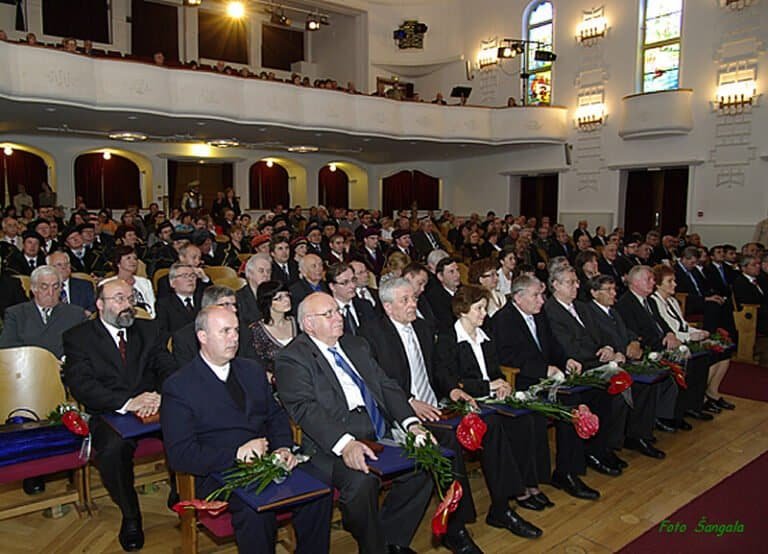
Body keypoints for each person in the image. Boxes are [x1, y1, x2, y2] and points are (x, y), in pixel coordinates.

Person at [362, 279, 543, 549]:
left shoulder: (422, 327)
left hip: (436, 406)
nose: (414, 304)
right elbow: (376, 382)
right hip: (401, 416)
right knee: (448, 444)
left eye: (414, 298)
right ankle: (454, 528)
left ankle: (502, 508)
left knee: (490, 423)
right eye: (406, 300)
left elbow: (438, 370)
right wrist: (410, 402)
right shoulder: (371, 334)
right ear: (388, 307)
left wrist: (454, 390)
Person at [162, 306, 332, 552]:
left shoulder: (250, 370)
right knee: (256, 510)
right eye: (225, 331)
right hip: (218, 472)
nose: (234, 337)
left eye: (235, 331)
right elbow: (181, 454)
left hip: (267, 459)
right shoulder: (179, 386)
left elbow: (275, 416)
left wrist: (284, 446)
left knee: (319, 488)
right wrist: (236, 454)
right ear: (202, 337)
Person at [274, 292, 434, 554]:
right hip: (330, 441)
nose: (339, 317)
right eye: (329, 314)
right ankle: (373, 547)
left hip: (377, 428)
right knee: (362, 483)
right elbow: (305, 409)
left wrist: (411, 423)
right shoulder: (292, 357)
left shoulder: (356, 345)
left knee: (425, 463)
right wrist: (346, 444)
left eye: (337, 311)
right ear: (309, 324)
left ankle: (391, 539)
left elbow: (385, 385)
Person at [63, 279, 176, 551]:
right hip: (110, 410)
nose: (127, 305)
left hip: (154, 405)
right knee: (112, 451)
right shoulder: (78, 337)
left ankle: (182, 491)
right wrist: (128, 402)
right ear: (100, 305)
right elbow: (82, 385)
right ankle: (130, 514)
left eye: (129, 298)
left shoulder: (149, 329)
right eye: (118, 299)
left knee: (189, 427)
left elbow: (168, 367)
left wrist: (160, 396)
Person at [489, 275, 600, 500]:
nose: (542, 300)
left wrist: (566, 359)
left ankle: (566, 471)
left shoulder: (539, 316)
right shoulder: (504, 320)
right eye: (536, 295)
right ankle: (530, 483)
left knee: (575, 404)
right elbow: (508, 358)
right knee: (535, 418)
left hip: (545, 379)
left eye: (542, 295)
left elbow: (553, 346)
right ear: (518, 297)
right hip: (521, 383)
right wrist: (544, 369)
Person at [651, 264, 734, 413]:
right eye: (670, 281)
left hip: (685, 337)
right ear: (657, 284)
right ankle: (698, 398)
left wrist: (700, 332)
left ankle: (712, 393)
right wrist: (691, 337)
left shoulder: (672, 301)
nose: (675, 284)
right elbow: (669, 330)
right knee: (707, 357)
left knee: (724, 353)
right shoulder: (655, 301)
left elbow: (683, 324)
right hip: (676, 342)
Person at [0, 265, 86, 357]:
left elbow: (84, 349)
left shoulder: (76, 314)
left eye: (55, 287)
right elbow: (7, 350)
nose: (51, 293)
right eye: (45, 287)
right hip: (27, 368)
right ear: (34, 289)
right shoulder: (16, 314)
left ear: (61, 289)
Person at [249, 280, 297, 381]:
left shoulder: (297, 322)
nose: (286, 300)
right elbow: (257, 363)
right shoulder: (257, 330)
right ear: (267, 302)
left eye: (287, 295)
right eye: (279, 298)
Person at [100, 246, 156, 318]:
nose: (133, 261)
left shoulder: (145, 283)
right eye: (128, 258)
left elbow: (152, 307)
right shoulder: (106, 284)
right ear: (118, 263)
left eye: (135, 258)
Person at [327, 262, 377, 336]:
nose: (352, 285)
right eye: (345, 282)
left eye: (353, 280)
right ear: (332, 287)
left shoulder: (366, 305)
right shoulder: (328, 313)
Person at [156, 263, 203, 338]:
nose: (190, 279)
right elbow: (163, 333)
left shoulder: (203, 299)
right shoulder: (164, 304)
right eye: (185, 276)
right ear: (172, 283)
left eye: (193, 276)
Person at [47, 251, 95, 315]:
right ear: (49, 268)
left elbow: (93, 306)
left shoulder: (85, 286)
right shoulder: (43, 288)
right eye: (59, 265)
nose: (64, 267)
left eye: (67, 264)